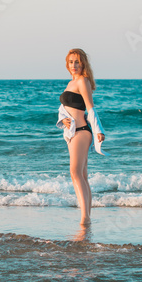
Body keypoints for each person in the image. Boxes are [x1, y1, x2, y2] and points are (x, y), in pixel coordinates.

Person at [57, 48, 106, 225]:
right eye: (71, 62)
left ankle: (84, 217)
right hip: (73, 132)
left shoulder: (82, 81)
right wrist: (64, 120)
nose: (74, 65)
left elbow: (90, 108)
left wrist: (99, 130)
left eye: (77, 62)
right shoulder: (71, 83)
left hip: (82, 131)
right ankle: (87, 217)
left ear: (83, 63)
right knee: (82, 175)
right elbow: (64, 109)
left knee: (75, 172)